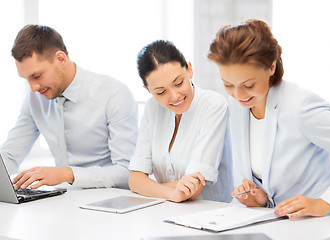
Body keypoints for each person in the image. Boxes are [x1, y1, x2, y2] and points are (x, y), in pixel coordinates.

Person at [207, 19, 330, 218]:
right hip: (282, 226)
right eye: (228, 84)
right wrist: (261, 199)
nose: (238, 94)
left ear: (271, 67)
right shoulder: (236, 106)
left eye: (249, 84)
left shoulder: (301, 106)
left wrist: (326, 202)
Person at [0, 25, 138, 189]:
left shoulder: (114, 94)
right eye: (26, 79)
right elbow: (9, 156)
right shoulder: (34, 99)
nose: (33, 88)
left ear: (60, 59)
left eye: (37, 76)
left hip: (112, 201)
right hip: (64, 201)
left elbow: (127, 173)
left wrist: (67, 174)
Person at [128, 40, 233, 203]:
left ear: (189, 69)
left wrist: (150, 187)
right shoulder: (152, 108)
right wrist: (171, 194)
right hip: (167, 210)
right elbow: (135, 180)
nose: (175, 96)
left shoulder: (212, 105)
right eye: (161, 92)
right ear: (148, 90)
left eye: (179, 83)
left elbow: (193, 187)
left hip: (211, 214)